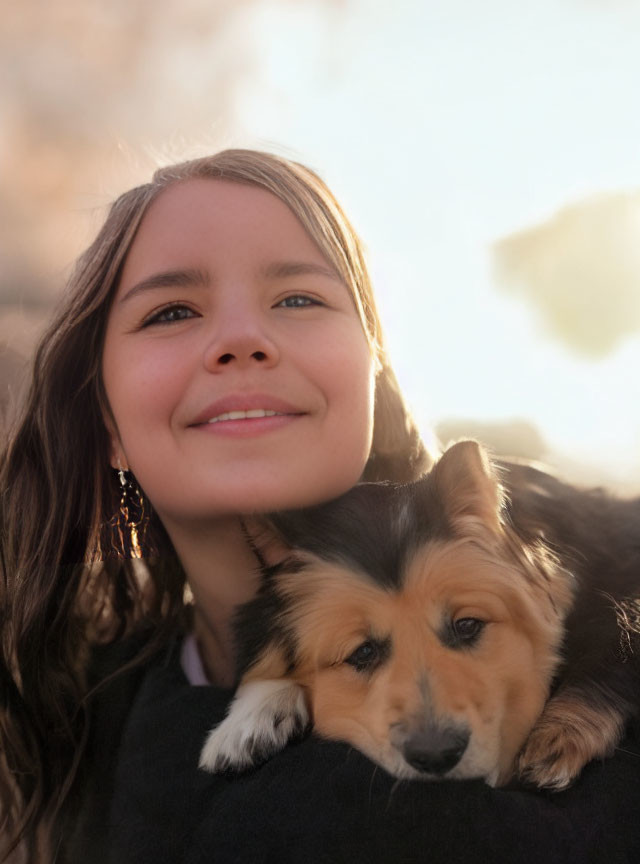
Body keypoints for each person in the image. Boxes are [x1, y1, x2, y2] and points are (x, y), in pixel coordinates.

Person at [1, 149, 639, 864]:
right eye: (172, 310)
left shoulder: (599, 636)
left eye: (299, 298)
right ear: (109, 425)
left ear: (374, 373)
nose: (243, 340)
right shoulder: (65, 730)